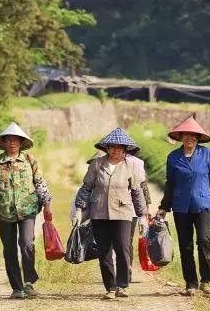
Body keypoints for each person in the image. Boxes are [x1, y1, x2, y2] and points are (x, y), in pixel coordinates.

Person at [156, 116, 210, 297]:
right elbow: (170, 184)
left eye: (194, 136)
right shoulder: (173, 157)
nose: (190, 139)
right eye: (186, 136)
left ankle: (205, 281)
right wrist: (164, 206)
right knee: (186, 245)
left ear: (198, 138)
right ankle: (191, 283)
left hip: (204, 203)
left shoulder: (208, 155)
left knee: (204, 240)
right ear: (180, 137)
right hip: (181, 206)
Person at [0, 122, 53, 300]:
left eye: (15, 140)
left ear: (21, 143)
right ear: (3, 143)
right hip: (4, 212)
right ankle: (17, 288)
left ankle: (28, 283)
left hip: (28, 210)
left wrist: (47, 206)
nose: (12, 143)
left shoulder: (30, 161)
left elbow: (40, 184)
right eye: (9, 140)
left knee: (27, 243)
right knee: (10, 249)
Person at [74, 128, 146, 300]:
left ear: (125, 150)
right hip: (99, 213)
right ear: (107, 148)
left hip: (123, 212)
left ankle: (122, 285)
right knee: (104, 250)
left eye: (120, 147)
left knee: (122, 247)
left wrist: (142, 216)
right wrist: (78, 209)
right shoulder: (96, 164)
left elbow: (137, 192)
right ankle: (110, 287)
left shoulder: (131, 166)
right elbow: (86, 188)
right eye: (113, 147)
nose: (116, 150)